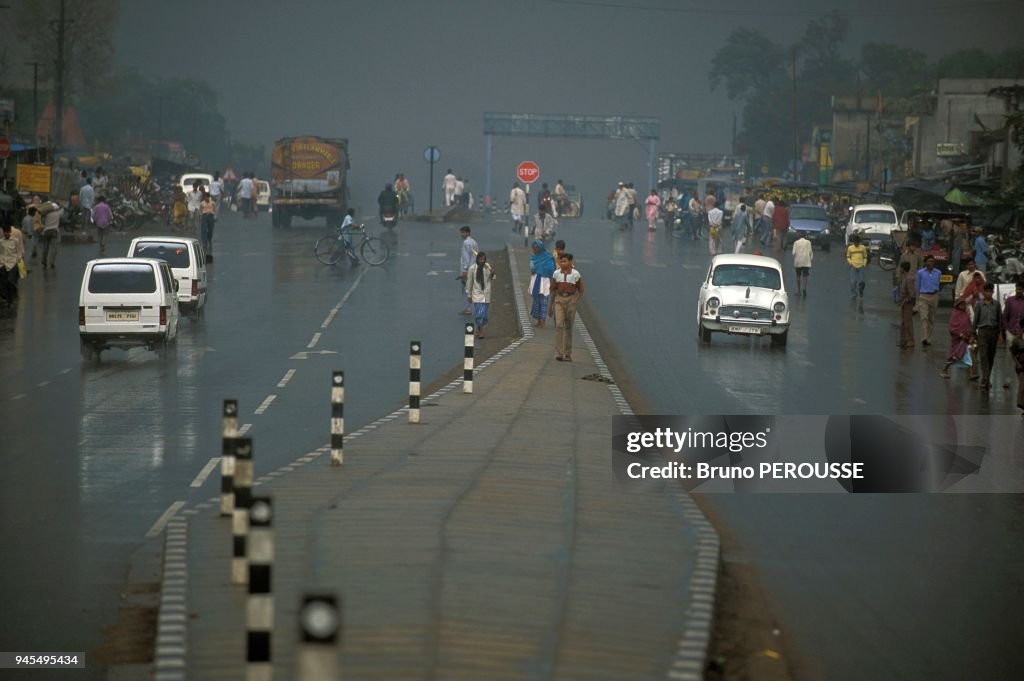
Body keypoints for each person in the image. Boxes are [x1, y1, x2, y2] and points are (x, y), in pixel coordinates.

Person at [550, 253, 584, 361]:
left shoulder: (575, 274)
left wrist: (575, 300)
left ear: (570, 262)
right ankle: (559, 353)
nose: (562, 263)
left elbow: (581, 289)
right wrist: (550, 306)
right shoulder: (556, 274)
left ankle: (567, 353)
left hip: (570, 301)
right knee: (559, 325)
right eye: (561, 261)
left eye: (565, 261)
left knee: (568, 327)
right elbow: (553, 290)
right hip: (559, 300)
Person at [973, 282, 1003, 390]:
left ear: (993, 292)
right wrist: (973, 333)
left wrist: (1000, 334)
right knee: (983, 356)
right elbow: (975, 319)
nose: (988, 293)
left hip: (993, 332)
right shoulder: (979, 304)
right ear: (983, 292)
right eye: (986, 291)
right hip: (982, 332)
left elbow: (1000, 320)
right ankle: (985, 379)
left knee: (991, 356)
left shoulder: (997, 304)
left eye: (990, 291)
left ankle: (987, 378)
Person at [940, 298, 976, 380]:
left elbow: (968, 326)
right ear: (957, 305)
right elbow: (952, 328)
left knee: (968, 357)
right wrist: (960, 334)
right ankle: (944, 370)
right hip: (957, 341)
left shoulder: (965, 314)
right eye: (961, 305)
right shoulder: (955, 314)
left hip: (964, 341)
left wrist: (970, 335)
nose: (963, 306)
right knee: (954, 356)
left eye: (964, 305)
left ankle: (971, 374)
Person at [465, 251, 496, 338]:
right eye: (480, 259)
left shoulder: (487, 267)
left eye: (483, 259)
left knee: (485, 316)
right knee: (479, 314)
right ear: (477, 259)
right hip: (477, 294)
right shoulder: (472, 268)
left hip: (486, 294)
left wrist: (491, 271)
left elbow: (492, 277)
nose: (482, 261)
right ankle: (481, 332)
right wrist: (469, 295)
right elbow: (469, 282)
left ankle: (478, 328)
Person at [916, 256, 941, 346]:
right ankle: (924, 338)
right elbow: (918, 287)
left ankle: (929, 338)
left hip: (934, 296)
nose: (930, 263)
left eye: (932, 261)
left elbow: (938, 284)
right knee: (924, 318)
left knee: (931, 319)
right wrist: (917, 301)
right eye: (928, 261)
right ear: (925, 262)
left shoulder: (938, 272)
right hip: (923, 296)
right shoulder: (920, 273)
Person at [529, 240, 555, 328]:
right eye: (533, 248)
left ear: (540, 248)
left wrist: (541, 270)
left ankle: (543, 322)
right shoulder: (533, 257)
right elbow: (532, 270)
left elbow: (551, 270)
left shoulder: (548, 257)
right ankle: (538, 321)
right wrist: (535, 269)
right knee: (536, 302)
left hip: (545, 281)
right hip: (535, 280)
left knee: (544, 302)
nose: (534, 250)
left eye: (536, 248)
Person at [0, 224, 23, 307]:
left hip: (12, 264)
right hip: (3, 264)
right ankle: (8, 300)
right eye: (4, 232)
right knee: (4, 283)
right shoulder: (1, 242)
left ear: (10, 232)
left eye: (7, 232)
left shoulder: (15, 241)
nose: (6, 233)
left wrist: (18, 259)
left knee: (10, 282)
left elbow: (19, 251)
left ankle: (11, 300)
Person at [37, 201, 63, 270]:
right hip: (54, 231)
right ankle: (52, 262)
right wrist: (61, 206)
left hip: (46, 231)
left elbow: (42, 221)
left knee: (45, 247)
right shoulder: (57, 214)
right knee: (54, 248)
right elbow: (62, 211)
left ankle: (44, 261)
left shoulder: (46, 214)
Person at [458, 226, 478, 315]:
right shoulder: (473, 242)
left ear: (468, 233)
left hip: (468, 269)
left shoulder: (466, 243)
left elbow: (466, 258)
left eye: (463, 232)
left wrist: (465, 270)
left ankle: (467, 308)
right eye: (461, 232)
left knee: (467, 289)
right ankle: (469, 307)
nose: (461, 234)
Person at [897, 261, 916, 348]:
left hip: (907, 303)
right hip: (903, 303)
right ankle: (903, 340)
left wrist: (906, 300)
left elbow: (912, 294)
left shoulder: (909, 279)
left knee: (908, 323)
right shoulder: (904, 277)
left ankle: (910, 341)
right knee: (904, 323)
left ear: (903, 269)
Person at [846, 234, 868, 299]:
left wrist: (864, 263)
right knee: (853, 282)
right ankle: (854, 294)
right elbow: (848, 257)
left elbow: (865, 256)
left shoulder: (862, 247)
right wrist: (850, 263)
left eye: (857, 242)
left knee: (861, 281)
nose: (856, 244)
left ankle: (861, 291)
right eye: (855, 242)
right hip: (853, 266)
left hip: (861, 266)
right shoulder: (850, 248)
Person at [792, 232, 813, 296]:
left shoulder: (796, 243)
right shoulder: (808, 242)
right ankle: (804, 288)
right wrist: (810, 259)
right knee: (805, 276)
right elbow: (810, 252)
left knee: (798, 276)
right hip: (806, 261)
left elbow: (793, 253)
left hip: (798, 261)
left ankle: (799, 291)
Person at [200, 191, 216, 258]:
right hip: (204, 216)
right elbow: (200, 211)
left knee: (210, 231)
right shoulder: (202, 203)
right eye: (205, 197)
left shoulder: (212, 203)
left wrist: (214, 216)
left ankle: (209, 241)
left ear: (209, 197)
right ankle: (205, 243)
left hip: (211, 216)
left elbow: (214, 210)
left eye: (207, 197)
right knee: (204, 230)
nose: (206, 198)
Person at [1010, 335, 1024, 416]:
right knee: (1022, 387)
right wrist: (1017, 363)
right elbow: (1012, 353)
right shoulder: (1017, 340)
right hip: (1021, 366)